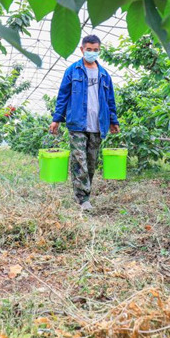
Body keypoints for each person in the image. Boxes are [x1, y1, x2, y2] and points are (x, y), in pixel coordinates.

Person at [50, 35, 120, 212]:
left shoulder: (104, 75)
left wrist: (113, 121)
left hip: (98, 124)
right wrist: (56, 119)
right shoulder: (72, 71)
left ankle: (82, 193)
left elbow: (110, 100)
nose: (92, 53)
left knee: (91, 161)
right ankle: (83, 199)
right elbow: (63, 96)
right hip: (77, 124)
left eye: (95, 50)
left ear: (99, 50)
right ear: (82, 49)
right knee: (79, 160)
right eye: (89, 49)